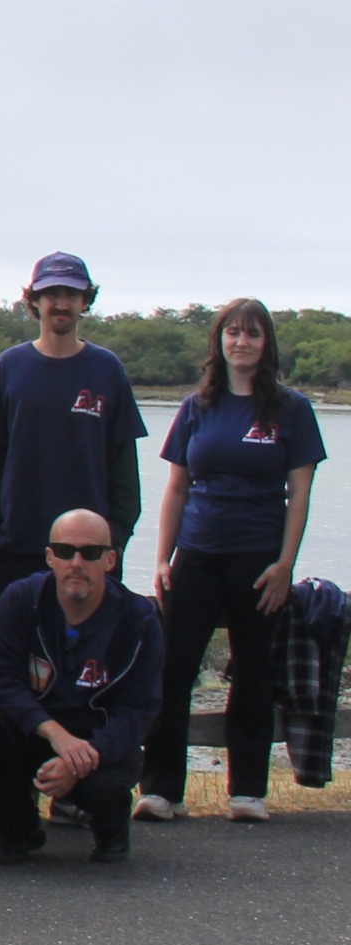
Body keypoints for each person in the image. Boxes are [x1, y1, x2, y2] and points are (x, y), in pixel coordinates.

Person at [139, 298, 325, 825]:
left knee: (254, 673)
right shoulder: (198, 406)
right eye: (232, 333)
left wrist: (286, 564)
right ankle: (161, 790)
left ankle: (247, 791)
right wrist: (161, 559)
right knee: (173, 670)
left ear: (267, 344)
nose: (241, 342)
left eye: (253, 334)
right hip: (196, 554)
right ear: (219, 342)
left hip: (258, 557)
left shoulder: (291, 409)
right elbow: (176, 488)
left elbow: (300, 492)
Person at [0, 509, 163, 864]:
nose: (76, 563)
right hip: (41, 733)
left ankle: (111, 830)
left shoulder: (138, 621)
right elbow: (1, 680)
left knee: (103, 787)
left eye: (90, 553)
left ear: (110, 560)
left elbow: (138, 711)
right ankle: (18, 832)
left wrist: (81, 760)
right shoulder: (21, 600)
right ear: (49, 557)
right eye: (64, 551)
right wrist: (56, 736)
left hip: (101, 745)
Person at [0, 252, 146, 633]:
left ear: (86, 301)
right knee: (5, 668)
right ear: (34, 300)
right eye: (51, 293)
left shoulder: (107, 369)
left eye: (71, 293)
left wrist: (113, 541)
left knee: (87, 669)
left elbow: (124, 473)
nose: (61, 303)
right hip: (14, 550)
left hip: (87, 555)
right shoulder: (9, 367)